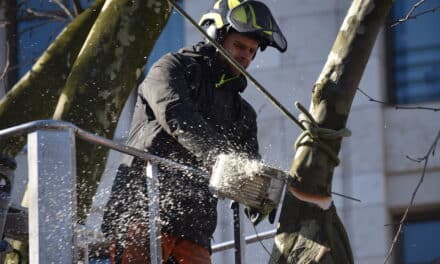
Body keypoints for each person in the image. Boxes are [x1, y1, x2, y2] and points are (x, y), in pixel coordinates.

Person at [102, 0, 287, 263]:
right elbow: (177, 115)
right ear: (216, 37)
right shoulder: (170, 69)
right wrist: (220, 159)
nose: (246, 56)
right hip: (143, 210)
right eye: (239, 46)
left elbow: (249, 167)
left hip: (195, 227)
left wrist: (264, 196)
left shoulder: (243, 113)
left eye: (252, 51)